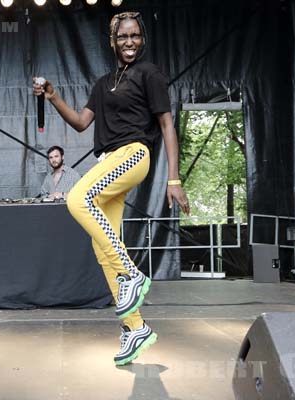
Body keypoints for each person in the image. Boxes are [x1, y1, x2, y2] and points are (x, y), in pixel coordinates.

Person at [33, 11, 190, 365]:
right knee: (101, 244)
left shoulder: (149, 75)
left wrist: (174, 178)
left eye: (135, 36)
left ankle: (131, 273)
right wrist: (54, 96)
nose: (130, 42)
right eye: (123, 37)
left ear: (142, 39)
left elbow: (166, 125)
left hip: (134, 154)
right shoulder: (103, 84)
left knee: (78, 198)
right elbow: (79, 123)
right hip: (109, 162)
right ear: (113, 42)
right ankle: (135, 328)